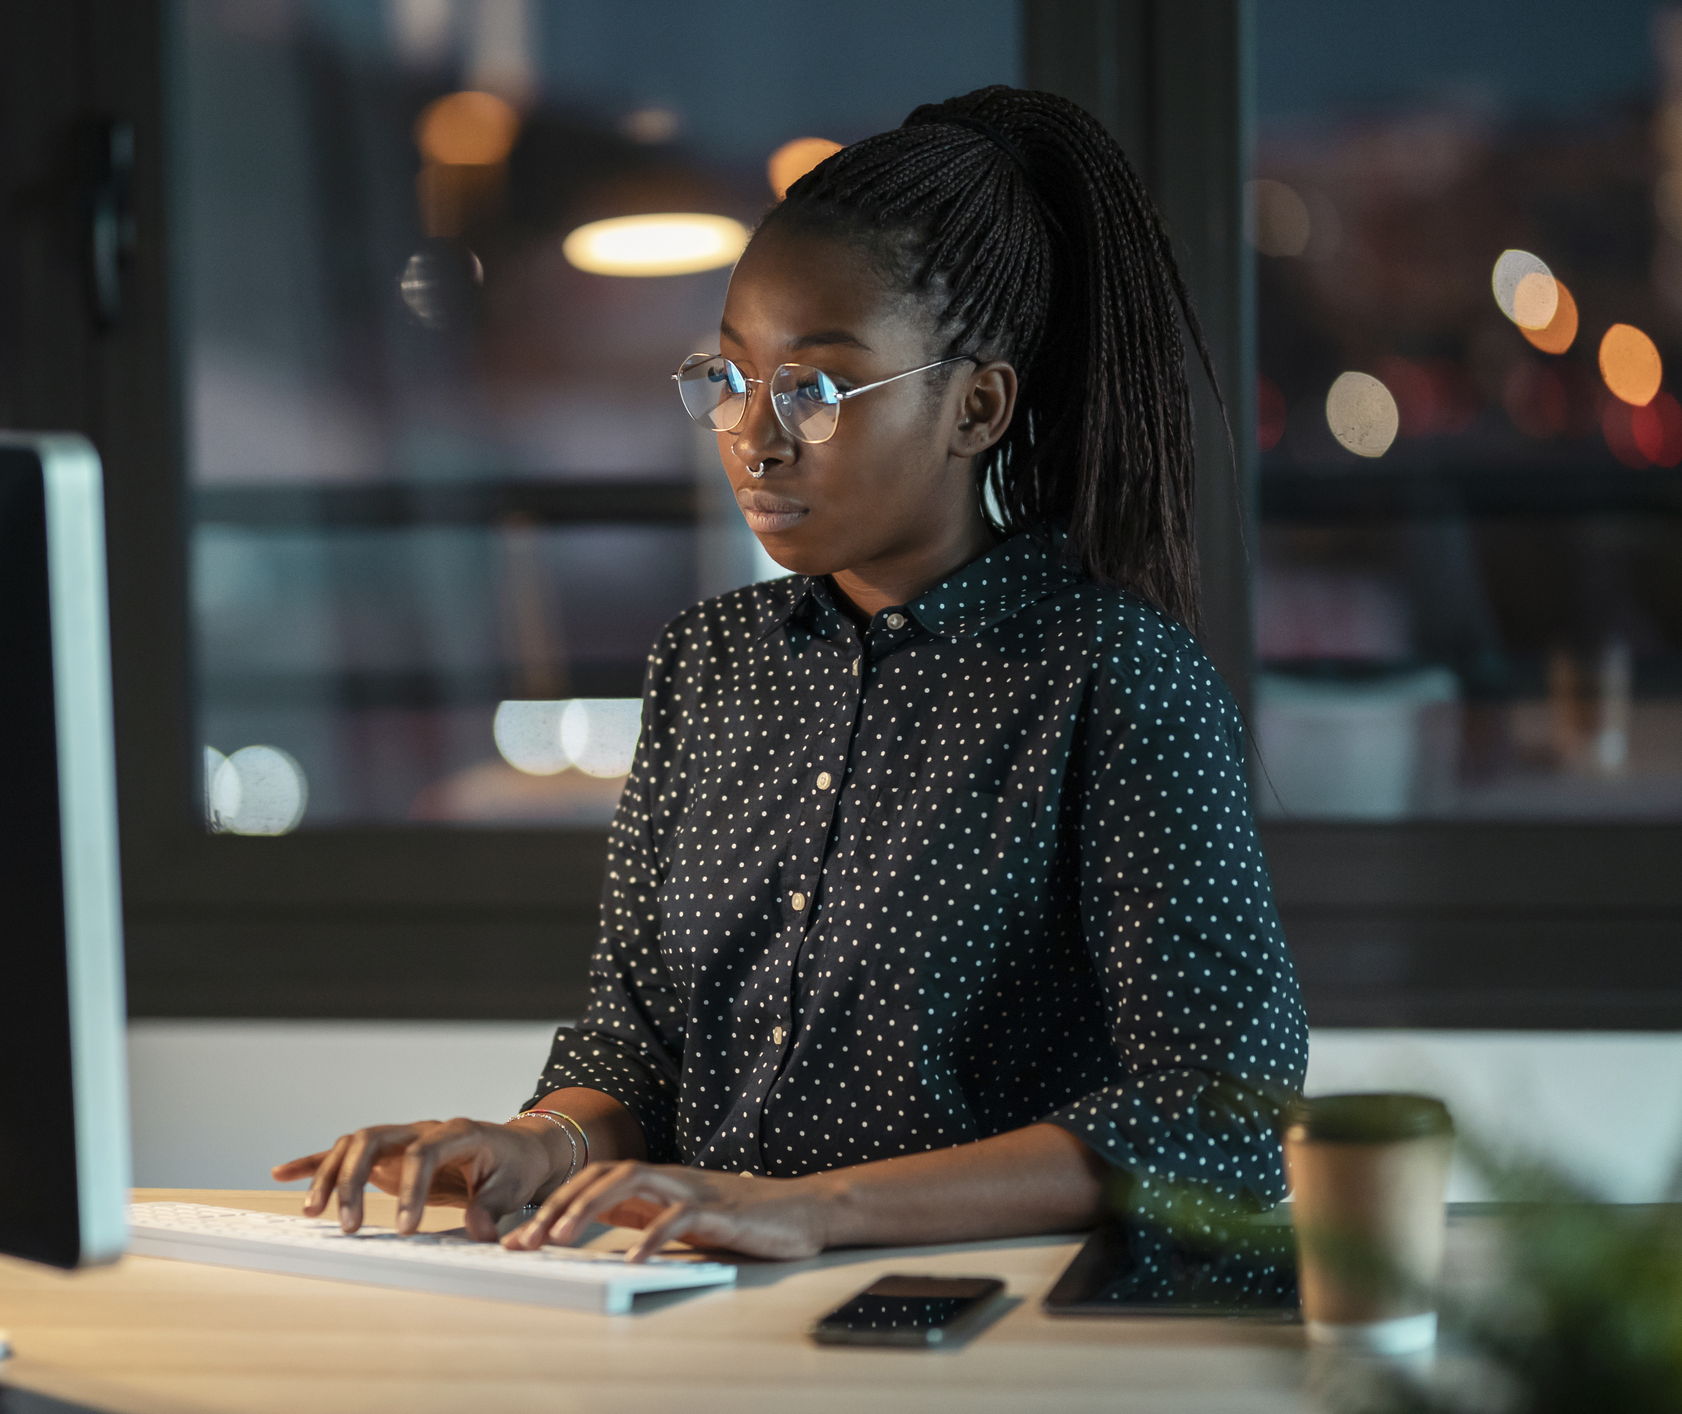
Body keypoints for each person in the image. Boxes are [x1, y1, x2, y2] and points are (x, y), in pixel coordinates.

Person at [273, 84, 1307, 1264]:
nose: (752, 436)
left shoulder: (1108, 675)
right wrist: (542, 1142)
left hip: (974, 1323)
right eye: (726, 378)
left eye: (813, 389)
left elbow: (1224, 1112)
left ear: (975, 405)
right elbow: (636, 1048)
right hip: (704, 1299)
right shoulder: (706, 664)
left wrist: (814, 1207)